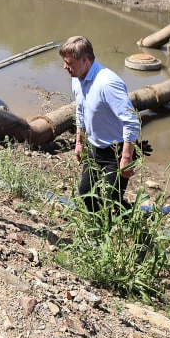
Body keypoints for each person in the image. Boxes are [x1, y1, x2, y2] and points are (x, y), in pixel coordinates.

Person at [60, 36, 140, 213]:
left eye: (68, 63)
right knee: (86, 192)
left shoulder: (108, 83)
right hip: (94, 146)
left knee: (113, 199)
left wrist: (126, 158)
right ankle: (98, 230)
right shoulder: (77, 77)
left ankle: (138, 231)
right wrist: (79, 142)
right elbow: (80, 109)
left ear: (84, 60)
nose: (65, 67)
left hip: (116, 151)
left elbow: (132, 122)